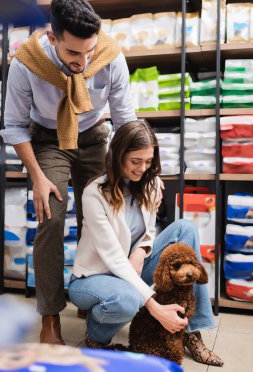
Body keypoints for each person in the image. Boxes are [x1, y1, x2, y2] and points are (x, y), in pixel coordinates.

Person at [0, 0, 136, 345]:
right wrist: (37, 176)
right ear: (52, 37)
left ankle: (88, 293)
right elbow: (14, 126)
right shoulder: (26, 63)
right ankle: (49, 319)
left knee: (100, 217)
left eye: (88, 52)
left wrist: (134, 171)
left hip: (94, 137)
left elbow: (124, 121)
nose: (83, 61)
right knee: (51, 217)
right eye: (73, 54)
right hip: (47, 141)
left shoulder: (108, 55)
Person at [68, 121, 224, 367]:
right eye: (136, 161)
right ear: (118, 156)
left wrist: (141, 251)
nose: (143, 168)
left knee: (185, 228)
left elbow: (149, 230)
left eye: (148, 161)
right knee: (128, 299)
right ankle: (97, 334)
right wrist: (153, 306)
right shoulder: (93, 194)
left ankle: (191, 332)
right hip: (94, 276)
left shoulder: (149, 184)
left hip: (132, 267)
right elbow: (113, 258)